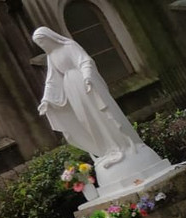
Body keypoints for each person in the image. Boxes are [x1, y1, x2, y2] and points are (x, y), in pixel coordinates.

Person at [32, 26, 145, 168]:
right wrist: (46, 100)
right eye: (39, 44)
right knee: (85, 118)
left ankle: (121, 145)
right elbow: (52, 80)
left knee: (99, 114)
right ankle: (107, 149)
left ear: (49, 37)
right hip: (71, 89)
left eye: (42, 41)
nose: (42, 45)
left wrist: (87, 77)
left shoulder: (69, 46)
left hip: (83, 84)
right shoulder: (51, 56)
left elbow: (85, 61)